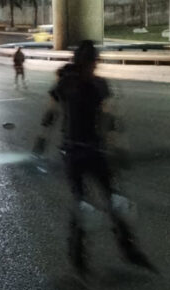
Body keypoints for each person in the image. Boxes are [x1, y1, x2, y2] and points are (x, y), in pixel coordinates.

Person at [39, 40, 156, 275]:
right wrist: (120, 148)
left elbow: (51, 114)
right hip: (90, 151)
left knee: (88, 202)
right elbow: (111, 120)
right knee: (111, 200)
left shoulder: (65, 82)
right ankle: (122, 250)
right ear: (93, 62)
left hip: (75, 152)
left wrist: (39, 143)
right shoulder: (96, 84)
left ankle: (81, 255)